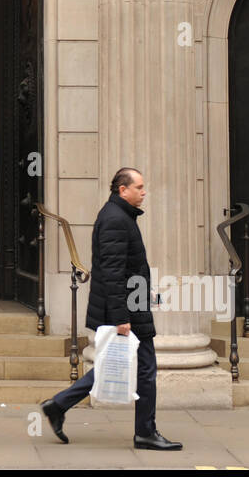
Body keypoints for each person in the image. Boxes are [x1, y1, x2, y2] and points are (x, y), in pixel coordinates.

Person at [39, 168, 182, 451]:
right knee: (146, 369)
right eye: (139, 187)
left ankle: (58, 404)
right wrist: (121, 317)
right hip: (126, 308)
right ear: (122, 190)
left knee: (116, 365)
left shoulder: (120, 216)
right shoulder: (116, 220)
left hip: (131, 304)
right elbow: (114, 273)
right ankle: (145, 432)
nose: (144, 191)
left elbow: (126, 268)